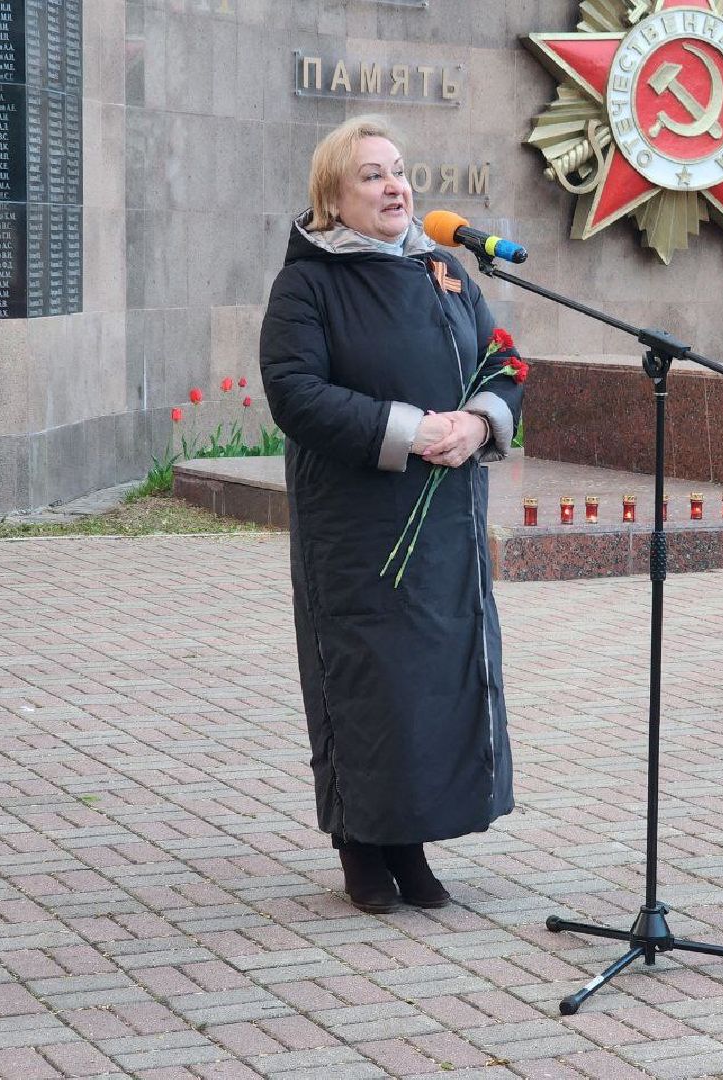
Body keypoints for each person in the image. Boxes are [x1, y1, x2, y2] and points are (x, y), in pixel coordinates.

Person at [259, 116, 523, 913]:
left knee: (432, 683)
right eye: (371, 175)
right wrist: (411, 430)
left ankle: (413, 841)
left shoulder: (444, 270)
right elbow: (295, 393)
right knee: (370, 682)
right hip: (357, 526)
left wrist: (478, 422)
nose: (394, 186)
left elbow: (503, 361)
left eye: (399, 170)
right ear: (333, 196)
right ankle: (363, 846)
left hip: (444, 524)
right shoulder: (309, 284)